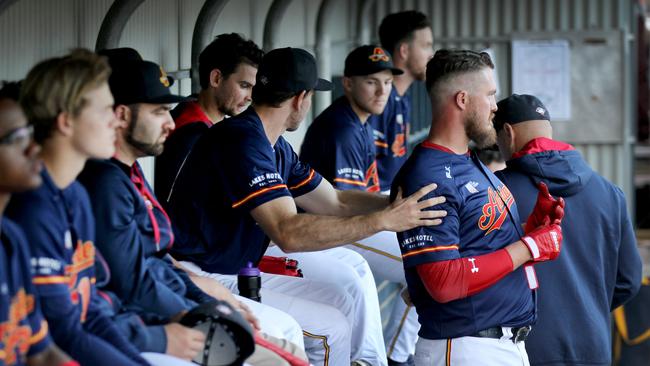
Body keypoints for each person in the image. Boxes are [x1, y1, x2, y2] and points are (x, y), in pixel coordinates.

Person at [167, 47, 445, 366]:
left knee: (344, 293)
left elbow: (335, 200)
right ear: (301, 98)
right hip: (202, 273)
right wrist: (384, 220)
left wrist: (393, 203)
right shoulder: (241, 140)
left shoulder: (275, 144)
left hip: (231, 265)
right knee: (332, 329)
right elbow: (288, 232)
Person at [78, 52, 307, 364]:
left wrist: (207, 298)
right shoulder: (103, 182)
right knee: (277, 354)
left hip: (166, 302)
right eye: (158, 111)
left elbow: (157, 261)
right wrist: (202, 310)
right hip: (134, 326)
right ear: (121, 115)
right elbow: (132, 283)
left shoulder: (127, 172)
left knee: (286, 347)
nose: (170, 122)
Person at [392, 50, 565, 366]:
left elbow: (476, 240)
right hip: (465, 346)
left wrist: (532, 229)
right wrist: (528, 247)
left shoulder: (468, 160)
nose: (496, 107)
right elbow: (442, 281)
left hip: (501, 342)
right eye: (490, 95)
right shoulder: (427, 175)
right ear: (462, 100)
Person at [5, 50, 154, 365]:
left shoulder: (75, 194)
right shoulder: (30, 210)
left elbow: (90, 312)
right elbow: (64, 332)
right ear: (66, 121)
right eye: (104, 110)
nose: (117, 119)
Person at [493, 94, 643, 366]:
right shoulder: (609, 193)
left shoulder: (495, 193)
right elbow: (629, 279)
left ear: (507, 133)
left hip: (524, 351)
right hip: (592, 348)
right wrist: (589, 308)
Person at [299, 45, 418, 366]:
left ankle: (395, 353)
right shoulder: (342, 129)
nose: (382, 91)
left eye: (388, 82)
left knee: (431, 257)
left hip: (347, 219)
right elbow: (342, 204)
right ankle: (395, 357)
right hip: (328, 228)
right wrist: (395, 212)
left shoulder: (358, 120)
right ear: (348, 83)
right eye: (371, 82)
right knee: (425, 262)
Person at [0, 81, 78, 366]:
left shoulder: (11, 236)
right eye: (15, 138)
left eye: (30, 133)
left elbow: (41, 352)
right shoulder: (29, 217)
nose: (34, 147)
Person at [155, 33, 263, 202]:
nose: (250, 97)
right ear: (216, 78)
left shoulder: (213, 124)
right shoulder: (190, 134)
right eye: (244, 86)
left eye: (253, 88)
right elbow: (173, 204)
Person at [373, 10, 434, 193]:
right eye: (426, 46)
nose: (431, 54)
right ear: (404, 51)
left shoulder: (402, 97)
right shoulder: (379, 100)